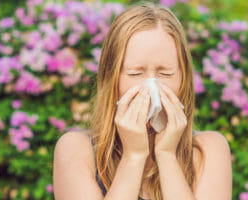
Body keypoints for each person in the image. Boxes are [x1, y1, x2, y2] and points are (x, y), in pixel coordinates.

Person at [53, 2, 232, 200]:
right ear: (111, 78)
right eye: (135, 73)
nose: (150, 87)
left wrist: (166, 155)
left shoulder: (208, 151)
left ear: (183, 79)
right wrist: (133, 156)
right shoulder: (77, 150)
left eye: (165, 73)